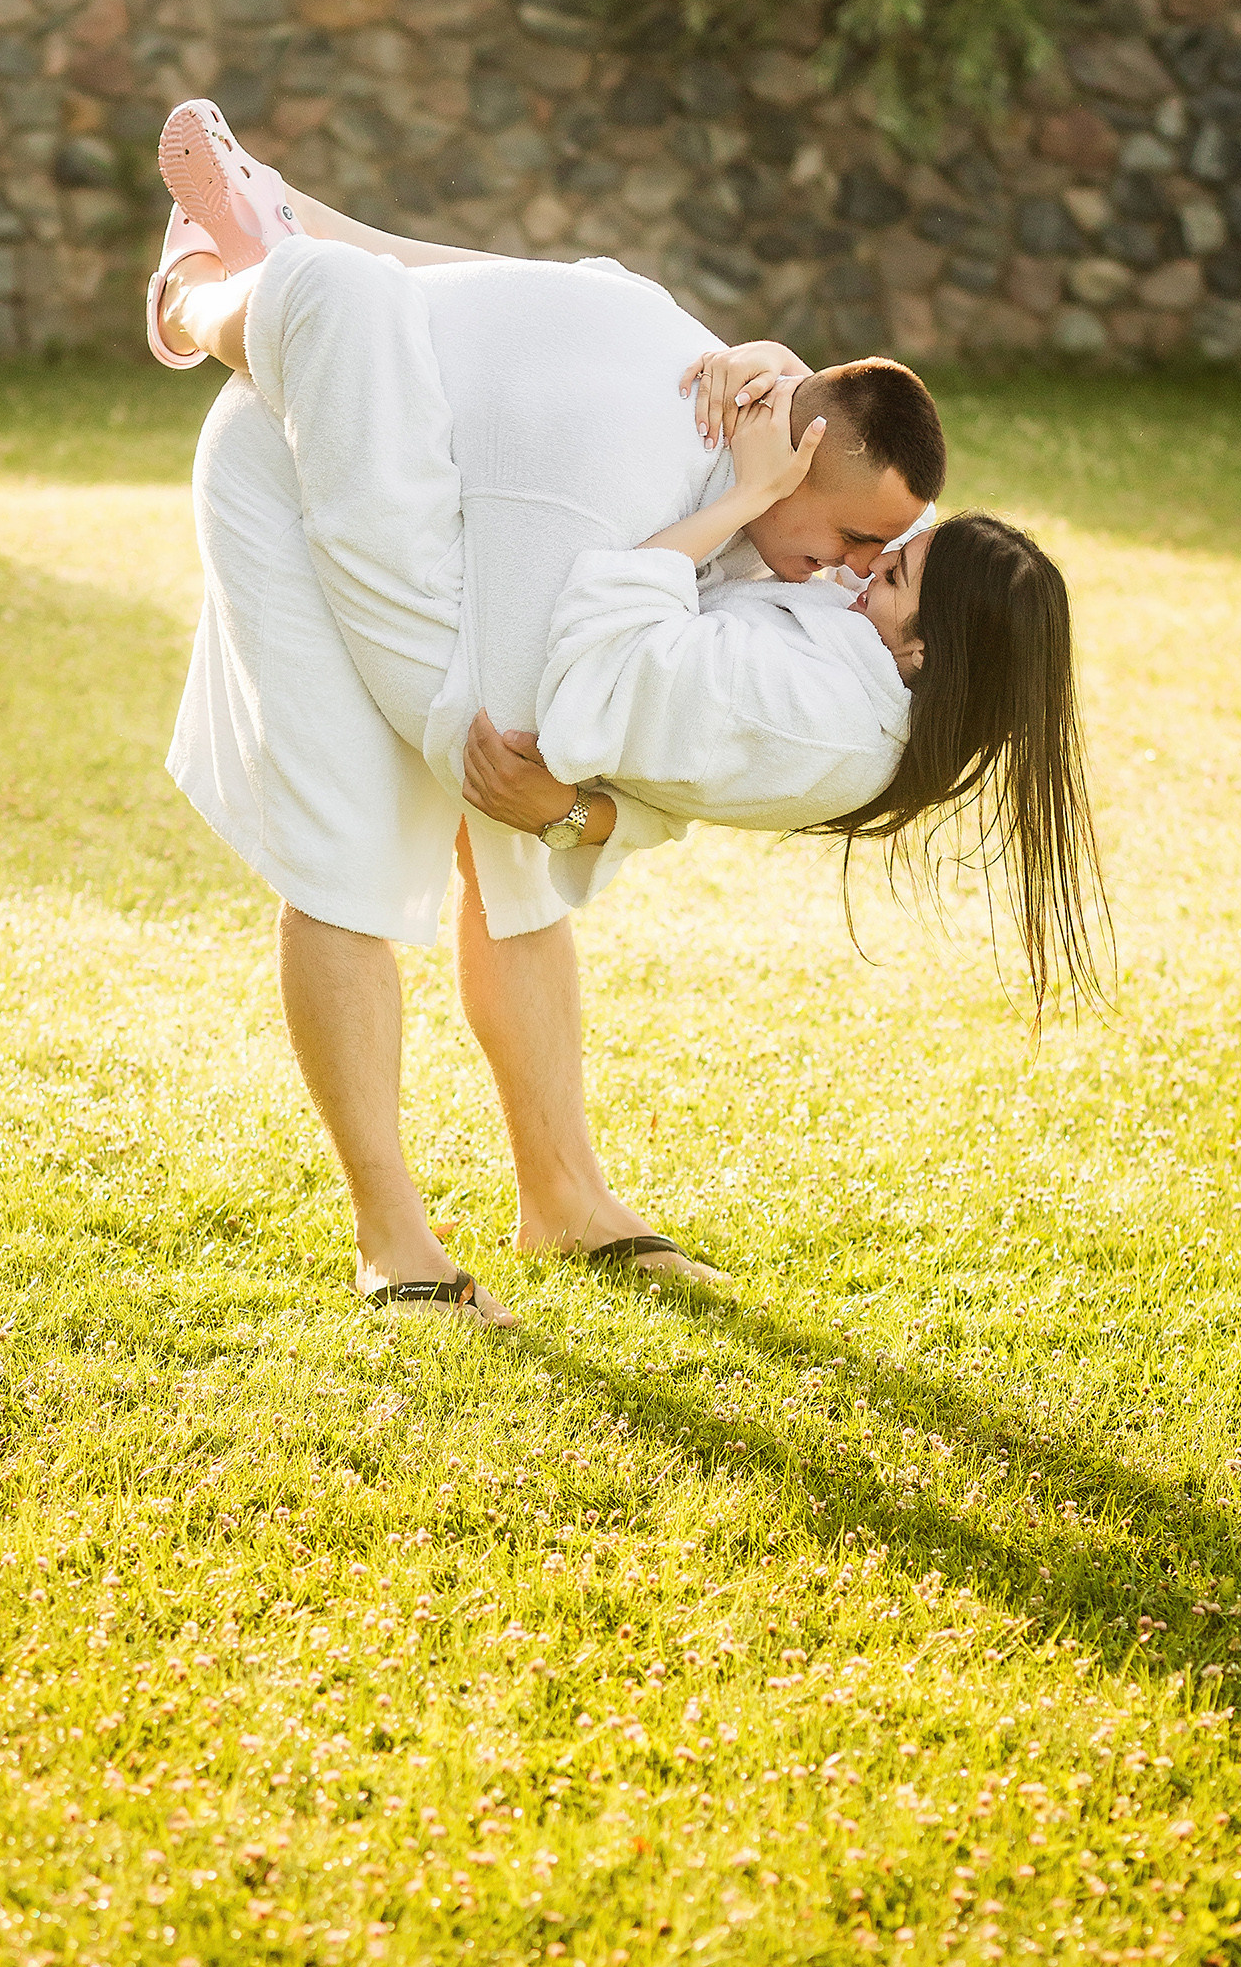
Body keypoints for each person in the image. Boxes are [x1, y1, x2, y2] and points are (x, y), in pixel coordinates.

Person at [151, 104, 1100, 1320]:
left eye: (887, 559)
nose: (859, 565)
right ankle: (392, 1235)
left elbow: (671, 725)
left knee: (516, 859)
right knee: (348, 851)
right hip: (292, 468)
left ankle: (561, 1197)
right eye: (865, 544)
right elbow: (551, 687)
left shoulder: (797, 530)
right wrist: (563, 801)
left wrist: (574, 817)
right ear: (791, 458)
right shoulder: (659, 494)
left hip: (455, 473)